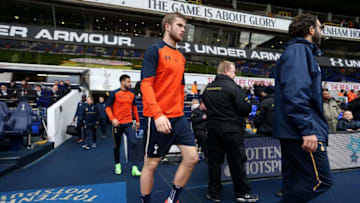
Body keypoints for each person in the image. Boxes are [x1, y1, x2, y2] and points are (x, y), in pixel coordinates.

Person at [140, 13, 198, 203]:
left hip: (178, 117)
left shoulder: (181, 57)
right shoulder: (154, 51)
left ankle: (172, 199)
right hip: (157, 117)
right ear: (167, 26)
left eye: (184, 26)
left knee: (192, 157)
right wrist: (158, 115)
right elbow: (146, 85)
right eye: (180, 25)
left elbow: (180, 88)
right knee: (151, 165)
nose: (183, 30)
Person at [273, 14, 332, 203]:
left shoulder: (299, 51)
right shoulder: (299, 50)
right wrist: (307, 129)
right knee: (321, 181)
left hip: (292, 131)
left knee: (293, 180)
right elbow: (296, 92)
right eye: (320, 27)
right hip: (301, 132)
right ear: (311, 30)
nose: (322, 32)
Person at [203, 60, 257, 203]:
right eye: (233, 71)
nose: (235, 74)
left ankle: (214, 193)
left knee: (214, 163)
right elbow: (246, 108)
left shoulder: (208, 88)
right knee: (236, 162)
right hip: (231, 130)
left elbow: (205, 106)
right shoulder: (233, 87)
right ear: (226, 70)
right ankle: (241, 193)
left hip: (213, 130)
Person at [105, 74, 142, 177]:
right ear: (122, 82)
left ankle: (134, 167)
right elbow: (107, 108)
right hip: (117, 124)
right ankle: (117, 165)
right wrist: (113, 119)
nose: (130, 84)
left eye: (130, 82)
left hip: (129, 123)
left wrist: (137, 121)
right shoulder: (114, 93)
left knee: (134, 143)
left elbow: (134, 108)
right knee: (117, 145)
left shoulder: (132, 94)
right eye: (128, 82)